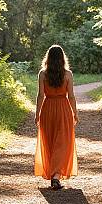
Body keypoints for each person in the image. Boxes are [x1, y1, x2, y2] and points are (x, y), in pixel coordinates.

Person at [34, 44, 78, 190]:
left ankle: (54, 175)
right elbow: (71, 96)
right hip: (64, 109)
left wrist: (37, 114)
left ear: (48, 58)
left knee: (50, 142)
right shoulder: (68, 74)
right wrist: (75, 113)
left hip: (47, 109)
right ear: (62, 58)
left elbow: (40, 96)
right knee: (62, 143)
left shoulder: (42, 74)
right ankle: (56, 176)